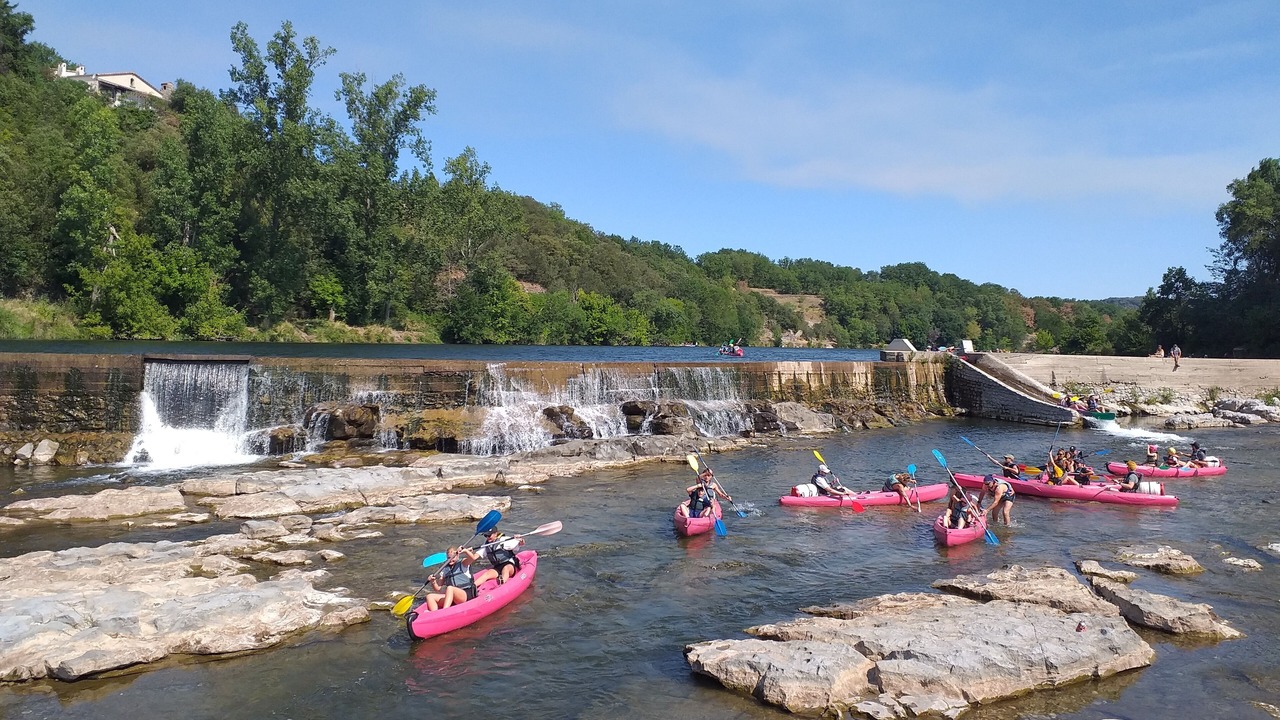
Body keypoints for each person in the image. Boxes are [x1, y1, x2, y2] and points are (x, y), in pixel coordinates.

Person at [426, 546, 481, 611]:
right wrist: (433, 581)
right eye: (449, 558)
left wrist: (465, 551)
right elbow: (438, 589)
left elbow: (472, 558)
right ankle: (434, 615)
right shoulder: (445, 569)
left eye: (453, 557)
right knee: (429, 596)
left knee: (450, 588)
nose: (450, 560)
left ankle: (444, 611)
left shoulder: (463, 563)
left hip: (466, 595)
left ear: (457, 556)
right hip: (453, 597)